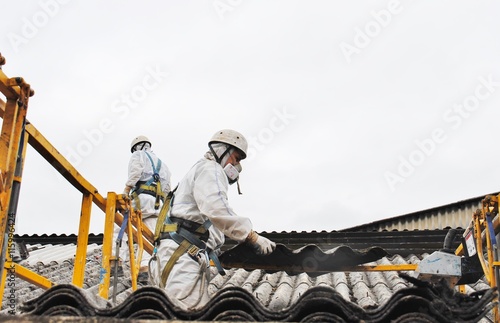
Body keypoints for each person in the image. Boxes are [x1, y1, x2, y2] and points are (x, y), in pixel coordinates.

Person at [150, 129, 276, 310]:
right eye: (236, 158)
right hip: (182, 259)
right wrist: (250, 236)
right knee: (184, 316)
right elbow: (217, 208)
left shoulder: (200, 170)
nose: (236, 165)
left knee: (172, 313)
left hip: (175, 255)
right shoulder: (211, 169)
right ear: (221, 150)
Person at [118, 135, 172, 285]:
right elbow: (167, 190)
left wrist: (127, 189)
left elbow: (135, 172)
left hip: (141, 200)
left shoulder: (138, 155)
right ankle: (144, 269)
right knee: (150, 238)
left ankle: (117, 260)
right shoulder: (163, 165)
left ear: (136, 147)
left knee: (120, 226)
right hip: (157, 205)